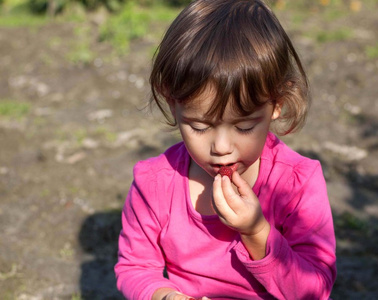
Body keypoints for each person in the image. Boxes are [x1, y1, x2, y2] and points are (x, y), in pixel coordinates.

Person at [114, 0, 336, 299]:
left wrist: (257, 232)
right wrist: (164, 295)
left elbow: (315, 290)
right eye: (200, 127)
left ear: (277, 105)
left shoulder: (297, 183)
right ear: (172, 103)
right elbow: (135, 267)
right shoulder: (153, 183)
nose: (221, 148)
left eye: (244, 127)